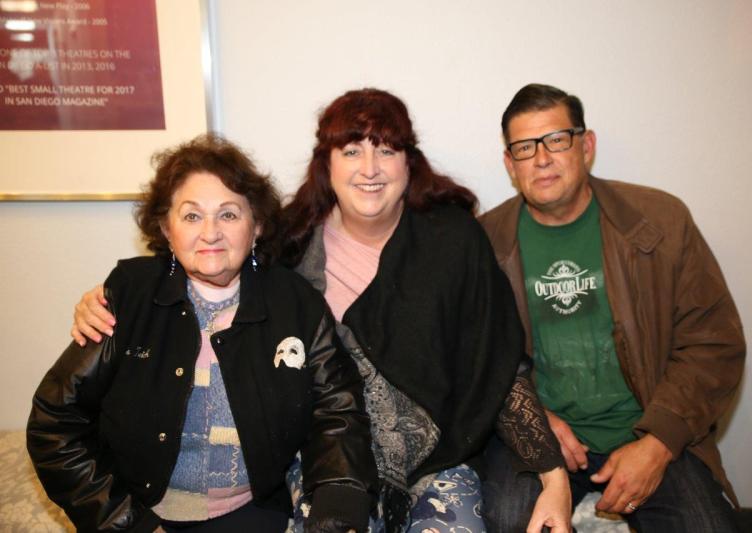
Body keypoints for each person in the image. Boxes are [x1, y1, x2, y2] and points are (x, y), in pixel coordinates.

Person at [70, 89, 572, 533]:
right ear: (326, 164)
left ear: (408, 163)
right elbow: (205, 253)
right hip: (323, 459)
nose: (370, 169)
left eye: (387, 150)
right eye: (351, 150)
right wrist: (108, 297)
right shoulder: (289, 242)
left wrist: (553, 479)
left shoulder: (454, 240)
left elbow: (499, 363)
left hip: (439, 461)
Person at [28, 134, 377, 532]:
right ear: (166, 228)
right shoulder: (128, 295)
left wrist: (338, 504)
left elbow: (338, 409)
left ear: (257, 225)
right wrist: (124, 522)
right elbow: (54, 423)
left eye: (228, 214)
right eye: (192, 216)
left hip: (252, 511)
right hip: (138, 512)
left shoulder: (295, 302)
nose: (210, 233)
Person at [479, 83, 745, 532]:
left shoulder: (660, 221)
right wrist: (534, 423)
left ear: (586, 146)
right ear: (510, 163)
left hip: (647, 426)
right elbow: (479, 362)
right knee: (508, 521)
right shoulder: (486, 242)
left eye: (557, 140)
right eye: (525, 148)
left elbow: (713, 343)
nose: (542, 159)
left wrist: (659, 443)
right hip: (543, 436)